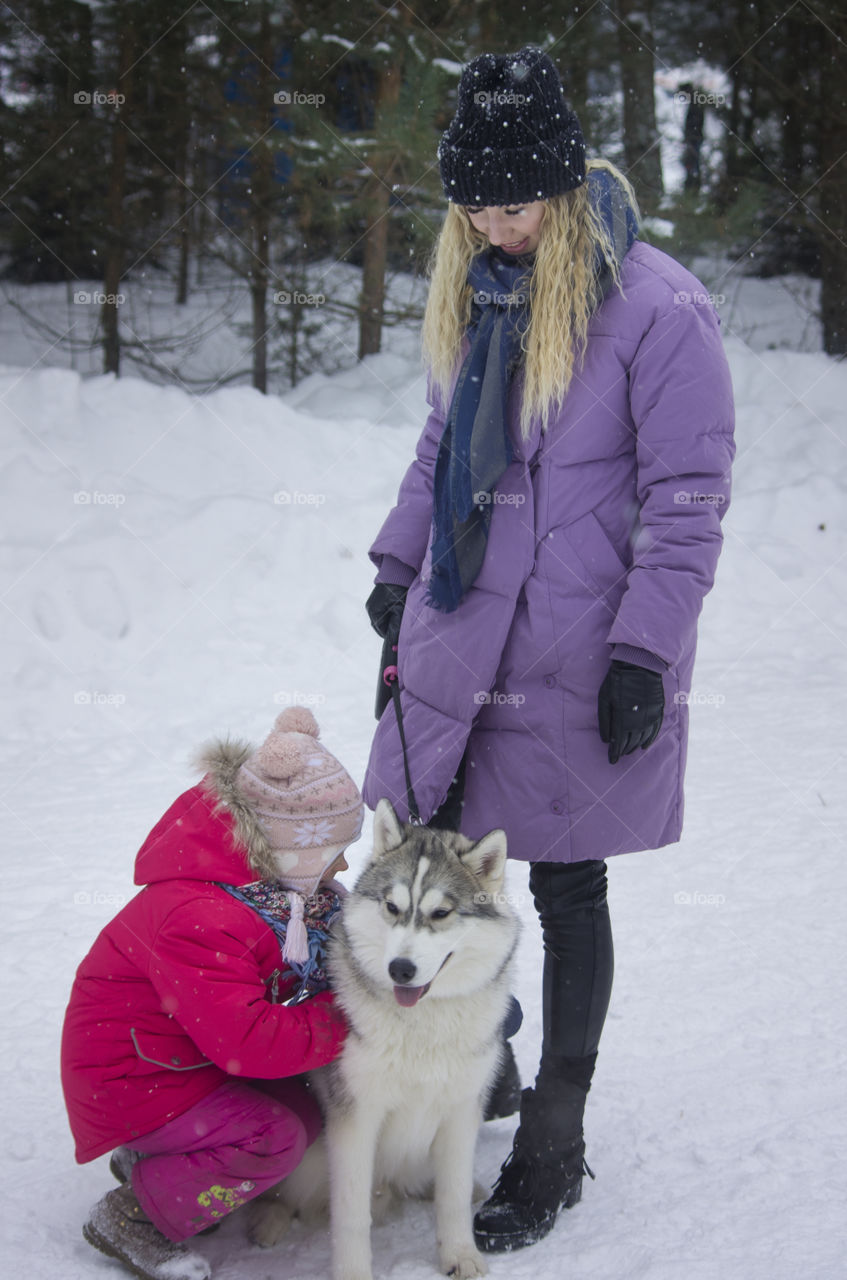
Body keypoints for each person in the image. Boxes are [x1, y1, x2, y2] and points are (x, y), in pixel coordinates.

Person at [363, 46, 735, 1254]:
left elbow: (686, 498)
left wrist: (644, 652)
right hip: (463, 634)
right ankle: (497, 1060)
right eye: (472, 204)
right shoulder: (478, 289)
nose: (491, 224)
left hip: (579, 649)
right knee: (444, 862)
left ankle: (553, 1142)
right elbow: (438, 450)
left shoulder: (659, 311)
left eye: (513, 203)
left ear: (564, 188)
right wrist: (395, 567)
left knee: (569, 884)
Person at [61, 706, 363, 1280]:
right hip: (134, 1078)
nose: (345, 864)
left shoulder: (274, 896)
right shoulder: (200, 915)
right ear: (292, 848)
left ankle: (165, 1160)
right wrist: (355, 1015)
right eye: (332, 852)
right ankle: (133, 1217)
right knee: (275, 1138)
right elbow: (249, 1042)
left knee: (309, 1107)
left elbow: (333, 959)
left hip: (184, 1055)